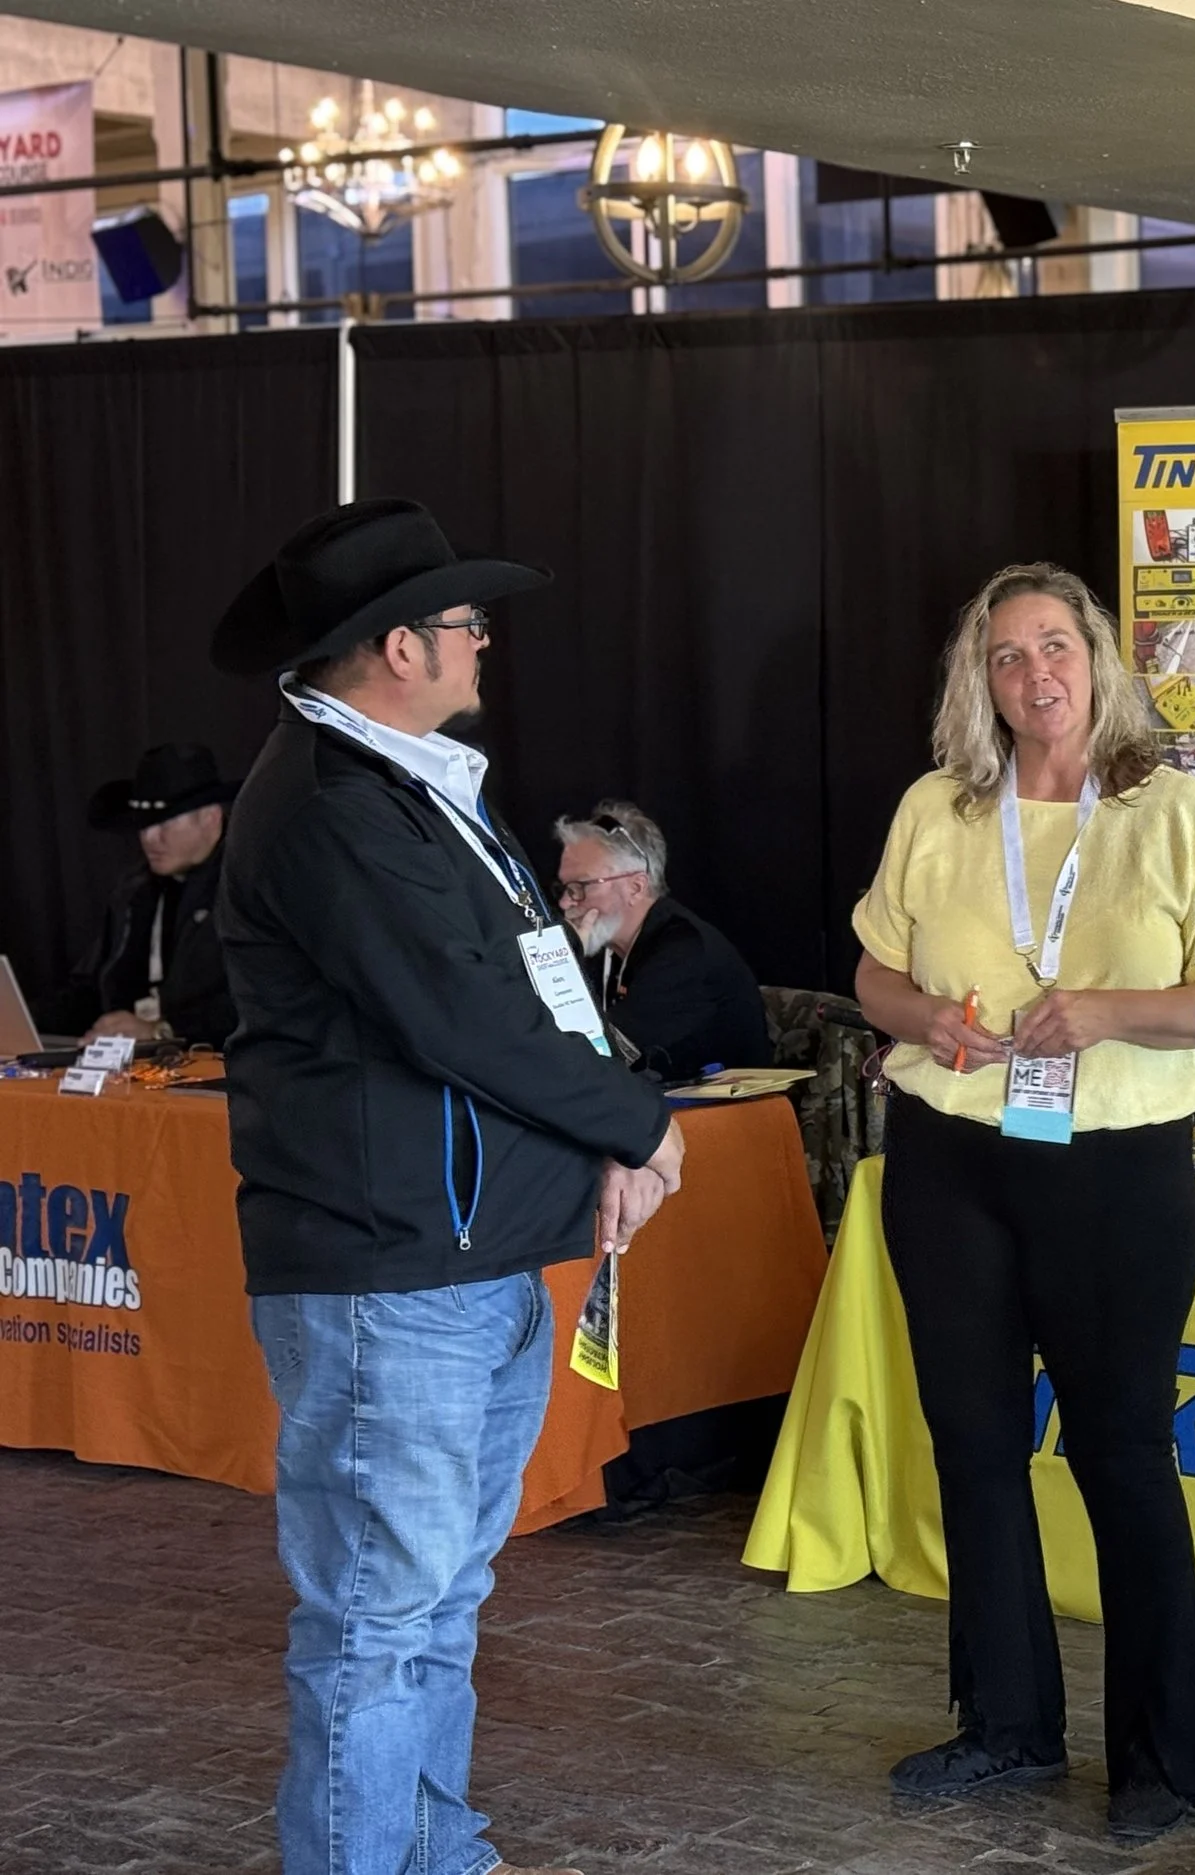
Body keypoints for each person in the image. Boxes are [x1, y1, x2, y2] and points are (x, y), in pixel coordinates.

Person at [209, 497, 689, 1875]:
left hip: (459, 1261)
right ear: (399, 645)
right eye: (469, 621)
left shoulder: (409, 785)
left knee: (430, 1600)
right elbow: (462, 1020)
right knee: (378, 1614)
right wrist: (641, 1123)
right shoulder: (332, 805)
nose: (489, 642)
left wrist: (609, 1121)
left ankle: (435, 1846)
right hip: (391, 1277)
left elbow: (523, 994)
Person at [852, 562, 1195, 1840]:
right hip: (951, 1155)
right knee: (972, 1447)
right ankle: (1007, 1727)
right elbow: (873, 972)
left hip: (1119, 1166)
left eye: (1055, 647)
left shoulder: (1174, 811)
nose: (1036, 676)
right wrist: (929, 1021)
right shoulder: (937, 808)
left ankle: (1160, 1762)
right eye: (1007, 657)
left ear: (1100, 658)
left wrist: (1108, 1014)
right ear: (983, 681)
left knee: (1121, 1453)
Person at [553, 799, 771, 1079]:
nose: (564, 903)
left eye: (580, 887)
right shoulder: (604, 951)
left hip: (727, 1116)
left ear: (636, 887)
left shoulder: (686, 951)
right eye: (564, 887)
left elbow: (605, 1052)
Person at [44, 744, 238, 1045]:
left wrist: (164, 1029)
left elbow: (265, 997)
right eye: (144, 825)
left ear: (211, 818)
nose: (149, 838)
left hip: (218, 1068)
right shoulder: (134, 892)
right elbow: (92, 988)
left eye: (165, 823)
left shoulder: (246, 888)